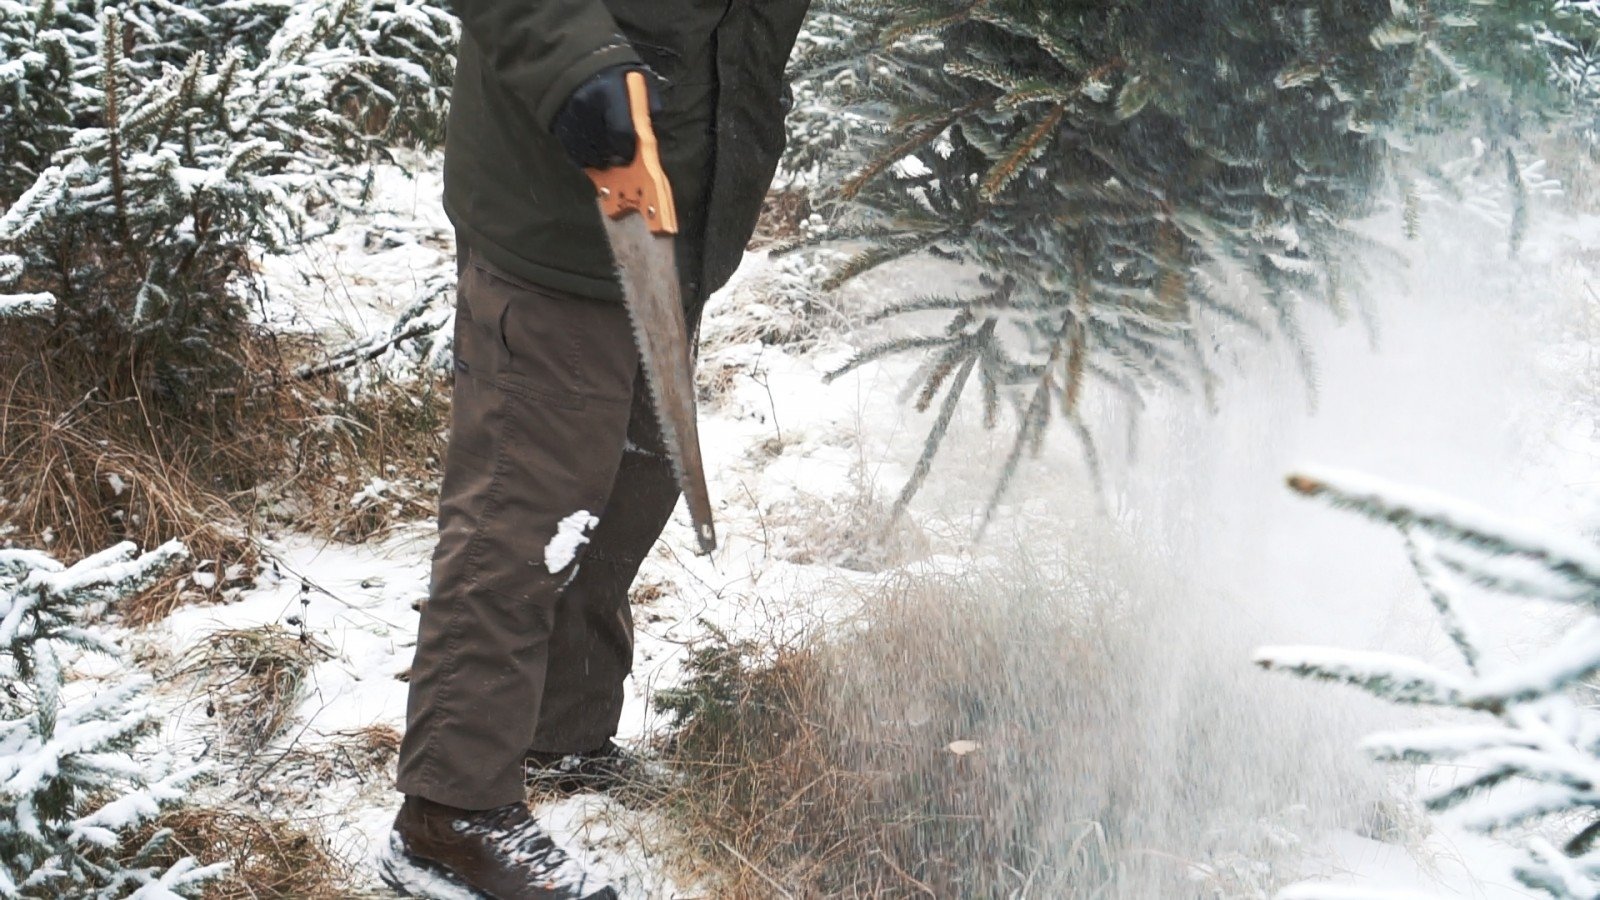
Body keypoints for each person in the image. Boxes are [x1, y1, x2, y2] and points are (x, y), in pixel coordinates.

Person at [380, 1, 810, 898]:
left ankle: (560, 730)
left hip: (676, 196)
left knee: (629, 484)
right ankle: (448, 813)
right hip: (556, 207)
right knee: (527, 508)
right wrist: (576, 61)